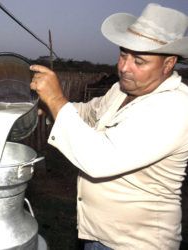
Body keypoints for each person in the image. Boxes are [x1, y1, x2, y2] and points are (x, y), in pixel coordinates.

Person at [30, 3, 188, 250]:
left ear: (168, 64)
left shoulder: (176, 108)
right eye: (123, 54)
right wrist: (51, 109)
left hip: (135, 243)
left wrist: (56, 99)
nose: (124, 67)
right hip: (97, 233)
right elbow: (88, 113)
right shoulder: (121, 90)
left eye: (139, 60)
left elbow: (99, 160)